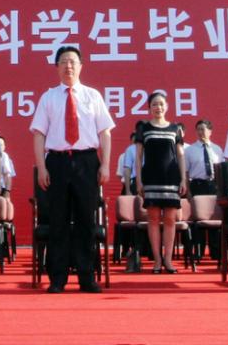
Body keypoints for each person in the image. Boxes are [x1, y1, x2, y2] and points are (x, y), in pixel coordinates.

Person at [30, 45, 114, 293]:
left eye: (73, 62)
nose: (68, 66)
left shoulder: (92, 96)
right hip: (56, 162)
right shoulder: (48, 98)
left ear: (81, 66)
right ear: (57, 67)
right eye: (64, 62)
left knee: (86, 220)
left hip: (87, 162)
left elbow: (105, 132)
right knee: (58, 220)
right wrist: (42, 167)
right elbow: (38, 134)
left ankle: (87, 277)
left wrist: (105, 164)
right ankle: (58, 278)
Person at [133, 91, 187, 274]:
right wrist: (139, 180)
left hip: (171, 178)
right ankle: (157, 260)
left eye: (161, 104)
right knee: (153, 219)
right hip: (151, 178)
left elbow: (180, 155)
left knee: (170, 219)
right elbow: (138, 156)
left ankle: (168, 260)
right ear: (149, 107)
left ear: (167, 106)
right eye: (155, 104)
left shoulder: (175, 128)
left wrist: (183, 179)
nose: (158, 107)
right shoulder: (144, 128)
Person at [182, 120, 223, 197]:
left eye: (202, 129)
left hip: (214, 185)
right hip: (197, 186)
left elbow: (221, 171)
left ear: (210, 131)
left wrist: (220, 189)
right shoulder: (189, 150)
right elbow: (185, 172)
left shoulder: (217, 149)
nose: (200, 132)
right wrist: (188, 191)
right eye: (198, 129)